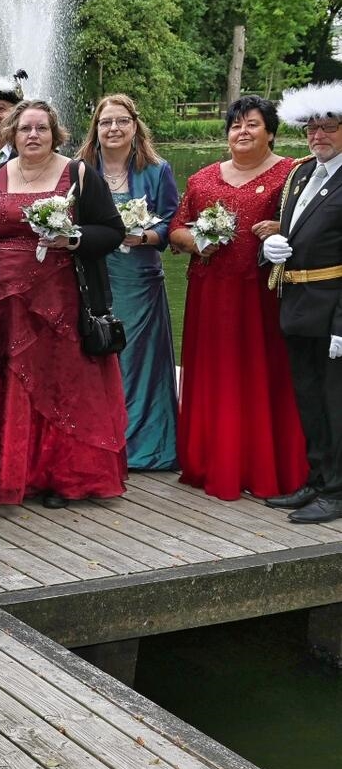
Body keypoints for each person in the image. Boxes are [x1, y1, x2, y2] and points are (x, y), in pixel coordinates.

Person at [0, 99, 127, 508]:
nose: (33, 136)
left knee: (58, 386)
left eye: (41, 128)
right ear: (12, 134)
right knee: (7, 382)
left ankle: (59, 476)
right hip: (0, 302)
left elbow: (112, 231)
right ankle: (9, 469)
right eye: (25, 129)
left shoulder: (78, 173)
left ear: (55, 133)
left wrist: (72, 239)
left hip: (58, 302)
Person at [169, 95, 308, 501]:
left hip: (264, 294)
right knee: (217, 374)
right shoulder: (202, 178)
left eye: (252, 124)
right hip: (210, 294)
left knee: (263, 374)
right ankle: (214, 461)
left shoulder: (293, 174)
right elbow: (176, 231)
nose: (242, 132)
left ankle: (267, 464)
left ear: (271, 131)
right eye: (236, 125)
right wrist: (196, 242)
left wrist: (282, 226)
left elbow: (316, 225)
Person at [76, 95, 180, 471]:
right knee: (97, 357)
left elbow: (171, 222)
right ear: (96, 129)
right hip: (94, 278)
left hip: (140, 279)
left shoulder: (157, 170)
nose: (114, 129)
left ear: (135, 126)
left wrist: (146, 236)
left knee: (140, 360)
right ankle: (101, 441)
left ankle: (146, 447)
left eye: (121, 121)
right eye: (106, 122)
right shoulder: (80, 169)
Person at [262, 83, 342, 522]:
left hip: (333, 309)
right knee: (309, 399)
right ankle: (317, 480)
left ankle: (337, 490)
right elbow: (289, 232)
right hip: (296, 303)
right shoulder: (301, 174)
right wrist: (269, 244)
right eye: (311, 128)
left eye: (328, 126)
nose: (318, 135)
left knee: (336, 403)